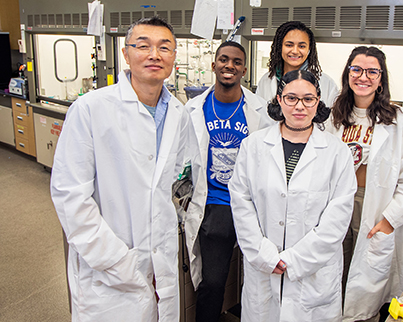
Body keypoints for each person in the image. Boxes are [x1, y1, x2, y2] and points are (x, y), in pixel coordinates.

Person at [50, 16, 190, 322]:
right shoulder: (90, 109)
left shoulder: (179, 114)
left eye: (164, 47)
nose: (154, 54)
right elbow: (70, 196)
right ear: (125, 55)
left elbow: (170, 180)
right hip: (107, 264)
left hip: (159, 260)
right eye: (143, 46)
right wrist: (113, 259)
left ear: (174, 58)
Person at [229, 70, 356, 322]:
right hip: (263, 267)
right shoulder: (253, 146)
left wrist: (294, 260)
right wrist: (263, 254)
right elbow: (241, 204)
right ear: (278, 99)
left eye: (308, 99)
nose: (300, 106)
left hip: (313, 274)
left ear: (318, 101)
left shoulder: (337, 152)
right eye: (291, 98)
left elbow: (337, 220)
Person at [326, 46, 403, 322]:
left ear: (381, 79)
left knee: (365, 286)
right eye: (357, 69)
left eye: (372, 71)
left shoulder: (399, 120)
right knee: (336, 273)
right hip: (337, 204)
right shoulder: (334, 117)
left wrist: (388, 219)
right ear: (348, 73)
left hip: (374, 208)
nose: (364, 76)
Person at [183, 41, 273, 322]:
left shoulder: (261, 111)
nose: (229, 66)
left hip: (252, 205)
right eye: (223, 59)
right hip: (215, 204)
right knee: (213, 282)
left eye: (236, 62)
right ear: (213, 65)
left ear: (244, 70)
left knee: (260, 280)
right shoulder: (194, 109)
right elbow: (183, 159)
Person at [256, 21, 339, 107]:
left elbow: (332, 118)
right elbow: (259, 115)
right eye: (289, 45)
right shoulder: (266, 81)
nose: (295, 51)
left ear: (309, 48)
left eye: (302, 46)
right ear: (280, 47)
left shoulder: (326, 83)